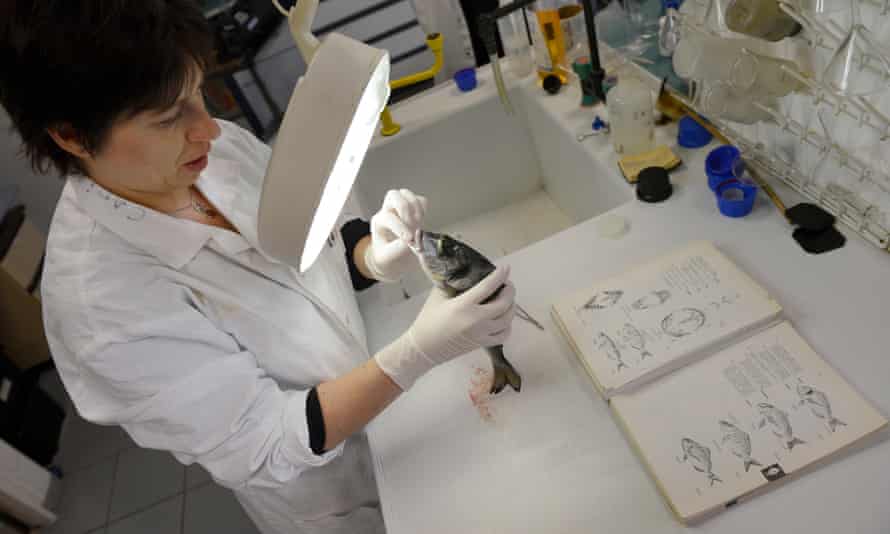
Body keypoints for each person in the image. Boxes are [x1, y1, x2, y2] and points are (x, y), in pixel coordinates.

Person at [0, 2, 515, 533]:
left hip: (399, 409)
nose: (211, 131)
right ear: (72, 136)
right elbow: (267, 440)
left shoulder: (210, 154)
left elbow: (316, 239)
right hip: (337, 492)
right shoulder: (100, 306)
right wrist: (415, 353)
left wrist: (373, 255)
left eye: (196, 92)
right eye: (168, 116)